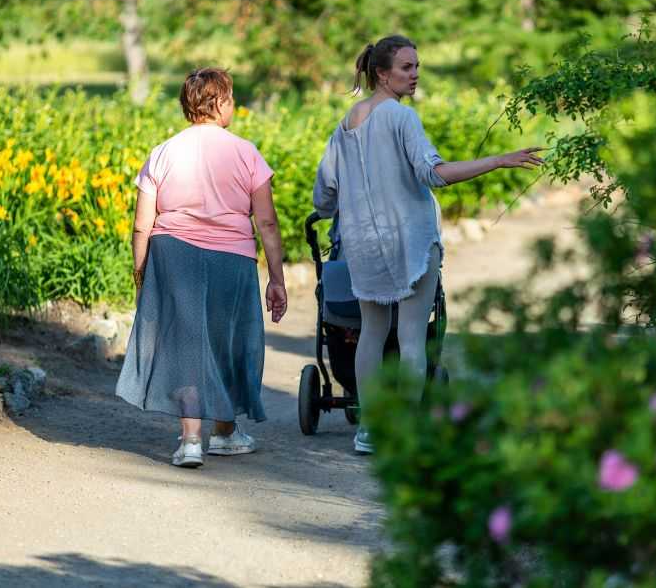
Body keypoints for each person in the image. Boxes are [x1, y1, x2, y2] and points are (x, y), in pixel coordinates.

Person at [312, 35, 543, 454]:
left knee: (372, 332)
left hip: (363, 244)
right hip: (411, 240)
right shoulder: (401, 118)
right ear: (382, 74)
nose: (415, 74)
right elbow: (435, 174)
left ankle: (369, 429)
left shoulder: (345, 125)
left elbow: (323, 196)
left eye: (417, 66)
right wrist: (498, 160)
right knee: (413, 336)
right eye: (406, 67)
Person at [116, 67, 287, 468]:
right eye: (231, 98)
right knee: (227, 339)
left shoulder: (162, 152)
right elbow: (266, 221)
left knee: (186, 343)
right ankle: (225, 433)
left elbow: (143, 222)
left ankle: (191, 441)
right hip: (233, 256)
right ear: (220, 103)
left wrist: (142, 271)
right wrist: (276, 278)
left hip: (173, 252)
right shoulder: (246, 152)